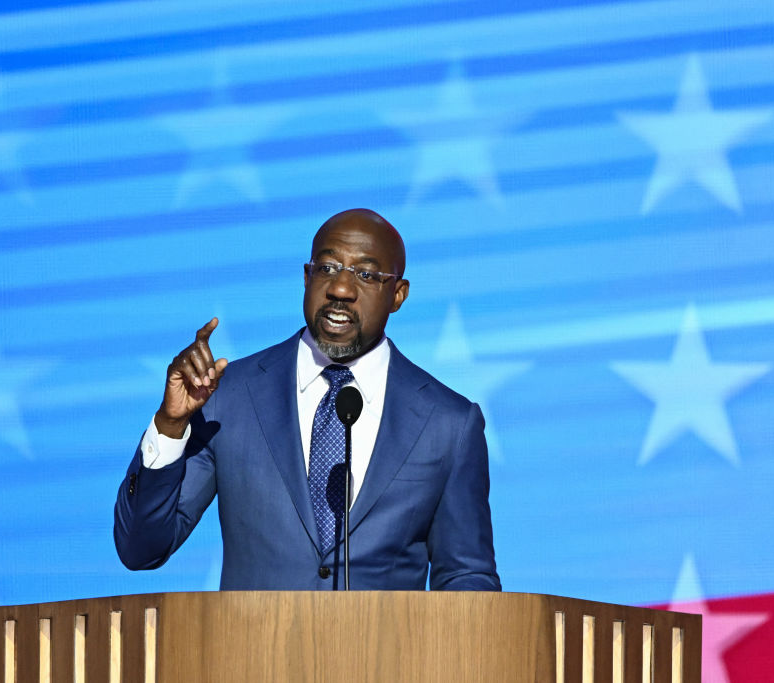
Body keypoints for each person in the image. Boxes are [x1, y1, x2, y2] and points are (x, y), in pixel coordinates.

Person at [114, 209, 500, 590]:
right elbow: (141, 549)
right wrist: (170, 425)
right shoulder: (228, 396)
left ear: (398, 294)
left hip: (386, 653)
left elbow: (467, 579)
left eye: (366, 275)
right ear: (306, 276)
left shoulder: (448, 423)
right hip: (250, 651)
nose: (341, 290)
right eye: (327, 268)